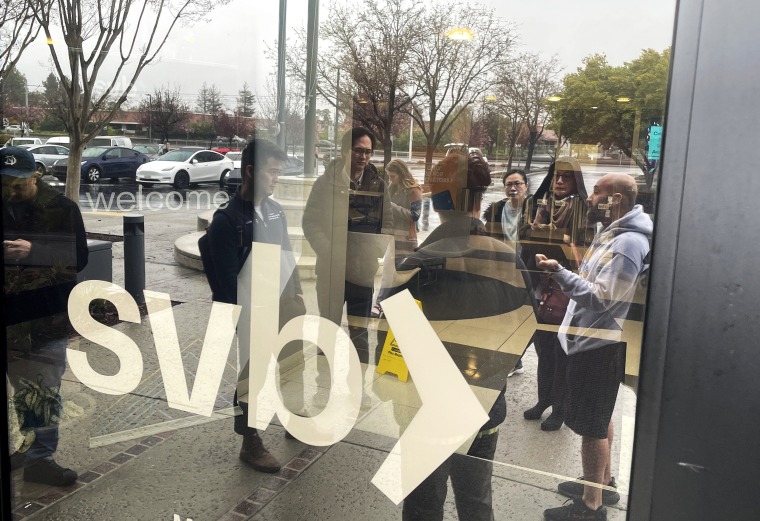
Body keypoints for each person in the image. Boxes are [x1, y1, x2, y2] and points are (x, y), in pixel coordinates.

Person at [397, 152, 530, 521]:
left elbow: (393, 336)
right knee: (476, 502)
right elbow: (525, 329)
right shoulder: (506, 258)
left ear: (438, 200)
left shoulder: (419, 261)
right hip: (484, 400)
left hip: (425, 404)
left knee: (423, 504)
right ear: (481, 197)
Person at [539, 173, 652, 521]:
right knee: (599, 418)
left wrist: (560, 272)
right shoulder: (614, 233)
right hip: (593, 341)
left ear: (616, 199)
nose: (590, 198)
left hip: (598, 345)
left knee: (590, 426)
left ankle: (590, 506)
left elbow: (604, 298)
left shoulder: (627, 243)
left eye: (598, 192)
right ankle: (600, 482)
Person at [204, 138, 304, 473]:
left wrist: (296, 296)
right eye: (271, 172)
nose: (276, 178)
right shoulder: (227, 221)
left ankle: (290, 417)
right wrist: (244, 319)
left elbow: (287, 255)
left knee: (290, 364)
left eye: (279, 172)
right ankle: (250, 440)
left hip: (278, 303)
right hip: (250, 310)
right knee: (255, 374)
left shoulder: (274, 211)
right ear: (250, 171)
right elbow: (225, 281)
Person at [3, 146, 88, 486]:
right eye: (4, 182)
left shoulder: (62, 209)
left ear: (35, 177)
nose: (11, 190)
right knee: (22, 390)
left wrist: (33, 251)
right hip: (8, 314)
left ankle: (41, 458)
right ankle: (28, 445)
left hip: (42, 317)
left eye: (18, 184)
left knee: (44, 388)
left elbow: (77, 257)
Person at [302, 127, 392, 363]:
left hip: (362, 273)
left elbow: (388, 224)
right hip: (331, 271)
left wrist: (372, 251)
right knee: (327, 332)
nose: (363, 157)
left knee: (359, 337)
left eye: (368, 152)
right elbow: (310, 222)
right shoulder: (325, 184)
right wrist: (328, 251)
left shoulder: (378, 185)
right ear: (344, 151)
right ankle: (323, 388)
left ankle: (357, 392)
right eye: (358, 151)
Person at [523, 157, 592, 431]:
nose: (560, 181)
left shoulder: (582, 209)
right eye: (556, 176)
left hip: (566, 288)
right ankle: (544, 400)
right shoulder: (542, 206)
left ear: (576, 181)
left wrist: (560, 241)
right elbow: (525, 239)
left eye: (566, 176)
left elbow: (584, 252)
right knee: (543, 351)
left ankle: (560, 408)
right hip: (541, 286)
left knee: (561, 352)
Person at [371, 158, 422, 317]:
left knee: (396, 272)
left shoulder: (414, 190)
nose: (390, 179)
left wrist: (392, 207)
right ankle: (381, 303)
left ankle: (381, 303)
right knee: (389, 271)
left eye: (392, 176)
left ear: (401, 174)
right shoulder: (393, 187)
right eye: (389, 176)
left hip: (406, 238)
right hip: (392, 235)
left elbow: (415, 216)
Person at [482, 168, 532, 242]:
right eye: (509, 184)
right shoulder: (495, 210)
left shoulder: (533, 209)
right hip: (502, 251)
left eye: (517, 184)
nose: (513, 188)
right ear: (504, 187)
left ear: (526, 186)